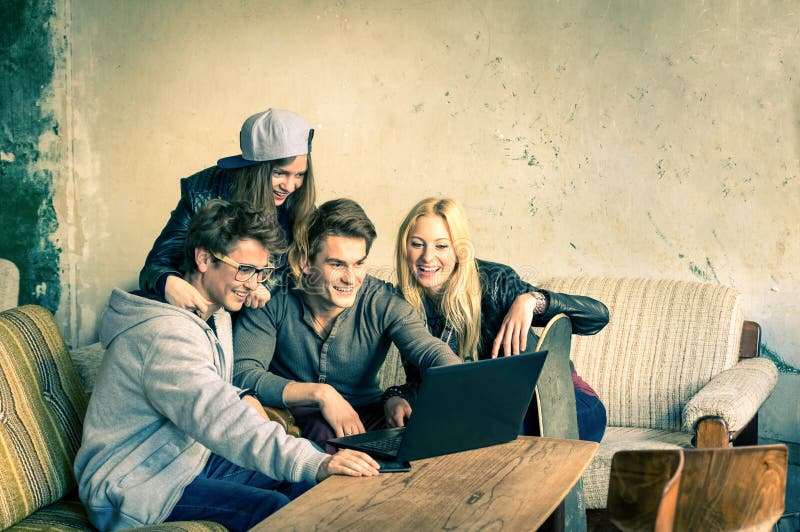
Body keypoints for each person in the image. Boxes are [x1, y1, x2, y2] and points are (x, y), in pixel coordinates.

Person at [74, 200, 378, 532]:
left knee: (303, 483)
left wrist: (246, 396)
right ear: (204, 258)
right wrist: (314, 462)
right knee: (274, 507)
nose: (253, 284)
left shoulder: (214, 314)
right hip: (132, 484)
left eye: (260, 272)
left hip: (184, 458)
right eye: (244, 269)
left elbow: (206, 389)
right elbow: (218, 417)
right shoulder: (164, 334)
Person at [233, 198, 462, 453]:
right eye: (337, 264)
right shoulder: (273, 297)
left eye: (359, 263)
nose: (350, 278)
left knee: (422, 444)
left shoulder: (381, 300)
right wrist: (321, 394)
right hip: (294, 419)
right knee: (328, 441)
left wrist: (463, 382)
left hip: (367, 414)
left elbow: (429, 350)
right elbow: (243, 373)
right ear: (304, 262)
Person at [384, 197, 610, 442]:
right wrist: (396, 397)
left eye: (441, 246)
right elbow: (427, 384)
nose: (428, 257)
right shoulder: (402, 305)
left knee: (491, 437)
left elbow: (598, 316)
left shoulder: (495, 283)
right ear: (404, 248)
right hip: (496, 415)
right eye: (417, 244)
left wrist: (532, 301)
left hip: (563, 400)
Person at [139, 107, 316, 315]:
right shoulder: (202, 191)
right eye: (279, 173)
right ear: (254, 169)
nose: (289, 186)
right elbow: (157, 264)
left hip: (256, 314)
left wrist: (268, 286)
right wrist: (168, 282)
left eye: (299, 175)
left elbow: (301, 268)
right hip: (202, 308)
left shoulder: (299, 206)